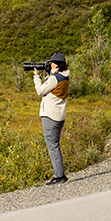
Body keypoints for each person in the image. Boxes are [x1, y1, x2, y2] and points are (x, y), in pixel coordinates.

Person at [33, 52, 70, 185]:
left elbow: (41, 91)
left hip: (50, 115)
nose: (49, 64)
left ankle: (59, 175)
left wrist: (37, 77)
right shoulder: (65, 76)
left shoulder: (54, 78)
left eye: (51, 62)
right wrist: (49, 74)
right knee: (55, 144)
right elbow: (52, 85)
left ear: (56, 64)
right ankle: (59, 174)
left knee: (52, 146)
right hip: (59, 115)